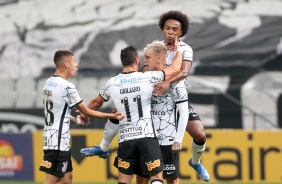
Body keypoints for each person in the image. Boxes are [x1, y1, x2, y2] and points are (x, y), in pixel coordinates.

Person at [81, 43, 183, 184]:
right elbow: (174, 69)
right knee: (156, 178)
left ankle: (103, 147)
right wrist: (180, 53)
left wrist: (84, 114)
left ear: (123, 62)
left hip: (125, 140)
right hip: (146, 138)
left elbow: (96, 102)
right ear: (137, 61)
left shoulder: (112, 83)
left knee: (124, 181)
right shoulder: (147, 77)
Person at [39, 50, 124, 184]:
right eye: (74, 62)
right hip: (58, 142)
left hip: (53, 138)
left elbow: (57, 111)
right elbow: (86, 111)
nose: (76, 65)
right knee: (52, 180)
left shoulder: (48, 83)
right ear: (66, 64)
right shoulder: (67, 86)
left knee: (67, 179)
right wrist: (112, 115)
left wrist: (75, 119)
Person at [152, 10, 210, 182]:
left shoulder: (185, 49)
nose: (170, 32)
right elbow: (148, 70)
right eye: (167, 28)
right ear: (162, 29)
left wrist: (167, 82)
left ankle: (195, 161)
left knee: (200, 134)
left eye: (174, 29)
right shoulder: (157, 48)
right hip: (159, 103)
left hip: (178, 100)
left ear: (181, 32)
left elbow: (184, 72)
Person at [135, 41, 189, 184]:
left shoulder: (176, 82)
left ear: (159, 58)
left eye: (148, 57)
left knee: (171, 180)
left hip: (167, 139)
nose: (144, 61)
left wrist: (178, 139)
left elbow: (184, 111)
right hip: (146, 138)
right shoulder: (145, 79)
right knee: (141, 179)